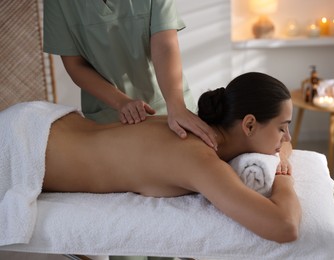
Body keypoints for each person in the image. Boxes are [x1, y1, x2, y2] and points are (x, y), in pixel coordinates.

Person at [40, 72, 301, 243]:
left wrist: (282, 152)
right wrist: (283, 175)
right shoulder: (200, 159)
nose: (287, 139)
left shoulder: (192, 129)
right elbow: (285, 227)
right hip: (29, 147)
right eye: (282, 127)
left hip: (48, 123)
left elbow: (285, 147)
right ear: (250, 125)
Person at [43, 0, 217, 150]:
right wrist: (121, 102)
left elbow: (165, 45)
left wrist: (177, 107)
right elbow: (76, 66)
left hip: (169, 110)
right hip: (109, 120)